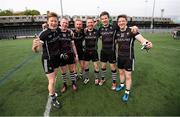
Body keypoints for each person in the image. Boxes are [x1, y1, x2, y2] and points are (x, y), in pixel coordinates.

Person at [114, 14, 153, 102]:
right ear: (117, 23)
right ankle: (121, 85)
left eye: (123, 21)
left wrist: (147, 43)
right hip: (119, 57)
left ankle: (127, 92)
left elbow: (142, 39)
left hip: (129, 58)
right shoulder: (117, 32)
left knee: (128, 76)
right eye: (119, 21)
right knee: (120, 73)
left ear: (126, 22)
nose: (121, 23)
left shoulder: (132, 30)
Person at [32, 12, 61, 109]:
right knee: (52, 81)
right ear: (48, 22)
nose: (54, 23)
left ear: (58, 22)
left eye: (55, 21)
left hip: (56, 58)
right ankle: (53, 99)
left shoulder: (58, 31)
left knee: (54, 79)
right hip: (47, 60)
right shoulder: (43, 34)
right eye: (51, 21)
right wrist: (35, 46)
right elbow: (36, 50)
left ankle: (52, 92)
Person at [59, 17, 78, 93]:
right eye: (63, 22)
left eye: (66, 23)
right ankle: (65, 85)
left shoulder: (70, 32)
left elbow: (73, 45)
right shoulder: (57, 31)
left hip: (70, 54)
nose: (65, 24)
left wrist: (76, 54)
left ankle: (74, 83)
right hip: (61, 55)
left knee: (72, 71)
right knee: (63, 72)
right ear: (60, 23)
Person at [83, 17, 101, 85]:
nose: (90, 24)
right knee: (86, 66)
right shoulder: (84, 31)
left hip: (94, 51)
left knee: (96, 66)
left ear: (93, 23)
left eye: (91, 22)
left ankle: (96, 78)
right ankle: (87, 78)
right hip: (86, 51)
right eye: (88, 22)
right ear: (86, 24)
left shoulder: (97, 31)